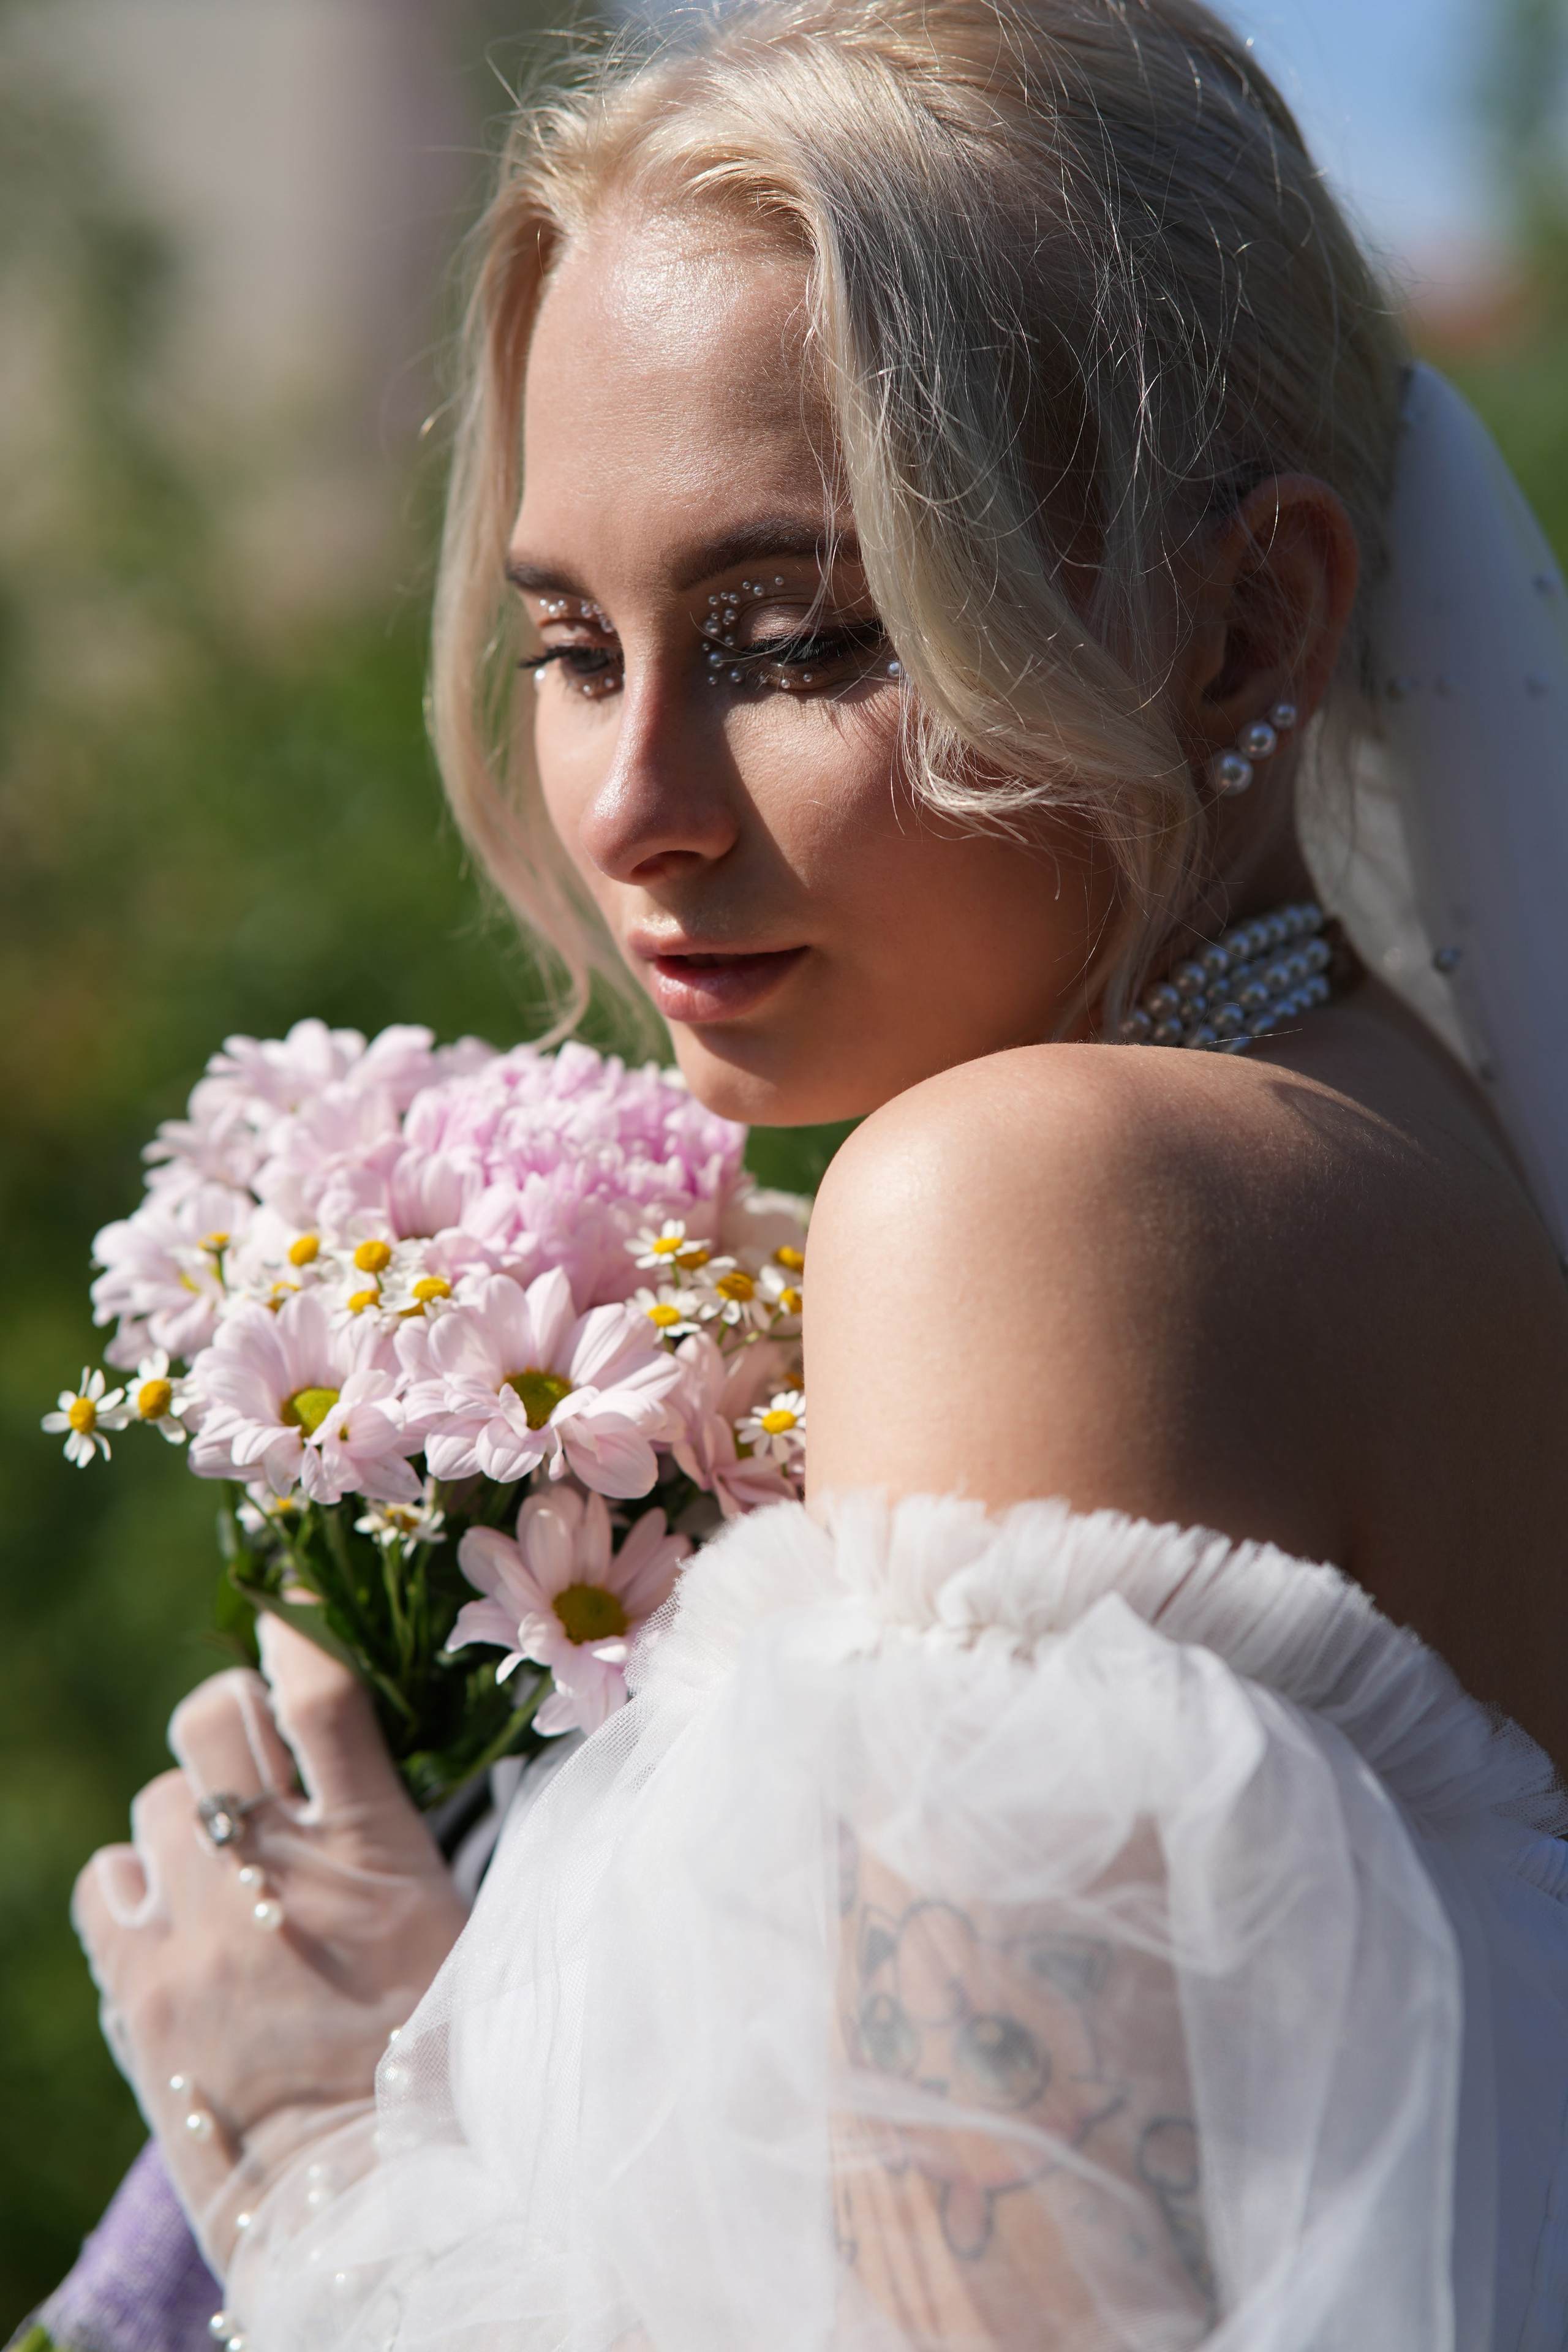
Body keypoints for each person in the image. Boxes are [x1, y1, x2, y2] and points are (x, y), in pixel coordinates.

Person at [55, 1, 1568, 2345]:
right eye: (573, 643)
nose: (632, 801)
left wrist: (320, 2140)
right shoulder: (1396, 1140)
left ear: (1246, 621)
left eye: (791, 635)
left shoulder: (1040, 1205)